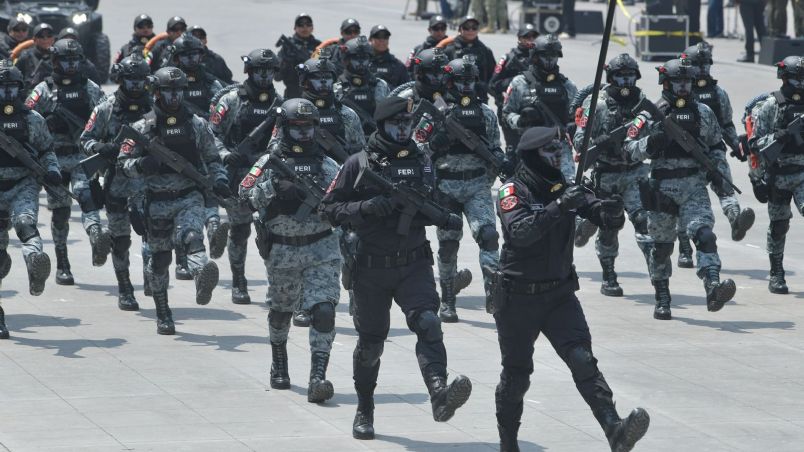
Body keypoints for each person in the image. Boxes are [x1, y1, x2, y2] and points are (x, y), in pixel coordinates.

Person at [321, 96, 472, 441]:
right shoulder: (357, 164)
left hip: (413, 262)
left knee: (429, 323)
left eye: (408, 124)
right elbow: (329, 209)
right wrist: (370, 207)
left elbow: (434, 203)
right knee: (371, 343)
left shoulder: (423, 160)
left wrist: (426, 211)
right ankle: (365, 408)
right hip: (371, 268)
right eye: (396, 124)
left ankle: (438, 393)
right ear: (382, 125)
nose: (404, 130)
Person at [493, 126, 650, 452]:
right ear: (533, 155)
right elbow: (520, 233)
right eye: (550, 151)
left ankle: (615, 430)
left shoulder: (563, 185)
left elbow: (602, 216)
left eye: (558, 150)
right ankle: (508, 442)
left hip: (559, 295)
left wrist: (612, 210)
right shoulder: (513, 190)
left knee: (582, 360)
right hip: (517, 296)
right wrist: (560, 207)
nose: (558, 155)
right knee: (517, 375)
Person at [240, 98, 341, 403]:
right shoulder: (269, 163)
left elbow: (342, 202)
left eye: (308, 128)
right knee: (282, 311)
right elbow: (244, 196)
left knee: (324, 311)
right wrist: (273, 188)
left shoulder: (327, 164)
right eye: (296, 129)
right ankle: (279, 359)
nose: (303, 135)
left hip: (321, 248)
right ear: (283, 129)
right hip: (283, 251)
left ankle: (318, 376)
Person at [624, 58, 737, 320]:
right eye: (678, 82)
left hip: (694, 187)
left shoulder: (704, 112)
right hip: (662, 189)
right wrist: (653, 141)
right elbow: (629, 151)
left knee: (705, 236)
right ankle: (662, 296)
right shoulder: (649, 114)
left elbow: (716, 148)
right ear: (666, 83)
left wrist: (720, 176)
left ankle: (712, 285)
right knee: (662, 248)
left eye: (687, 82)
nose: (684, 87)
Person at [119, 66, 228, 335]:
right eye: (168, 91)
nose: (174, 96)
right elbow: (123, 164)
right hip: (155, 201)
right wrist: (143, 164)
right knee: (160, 260)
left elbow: (212, 158)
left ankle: (201, 273)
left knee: (192, 236)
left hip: (188, 195)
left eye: (179, 90)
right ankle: (163, 312)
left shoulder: (196, 124)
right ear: (156, 92)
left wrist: (221, 180)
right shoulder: (142, 127)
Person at [418, 56, 506, 321]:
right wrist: (436, 144)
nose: (466, 86)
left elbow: (496, 150)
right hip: (445, 187)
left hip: (477, 186)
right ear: (449, 81)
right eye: (460, 81)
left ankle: (493, 290)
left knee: (489, 236)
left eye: (470, 81)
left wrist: (490, 174)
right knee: (447, 246)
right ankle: (447, 299)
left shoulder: (486, 113)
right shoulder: (435, 111)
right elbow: (418, 150)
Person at [25, 39, 109, 286]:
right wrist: (47, 123)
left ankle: (96, 237)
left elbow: (106, 117)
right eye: (65, 60)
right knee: (60, 212)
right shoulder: (43, 90)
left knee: (86, 197)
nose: (71, 65)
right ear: (54, 61)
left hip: (83, 155)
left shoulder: (90, 88)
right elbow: (26, 120)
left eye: (75, 60)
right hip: (55, 159)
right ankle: (62, 263)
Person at [573, 54, 654, 297]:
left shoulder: (644, 104)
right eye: (621, 75)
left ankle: (657, 272)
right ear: (612, 77)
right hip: (606, 175)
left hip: (636, 172)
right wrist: (600, 142)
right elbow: (579, 140)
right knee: (610, 226)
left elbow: (654, 134)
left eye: (630, 75)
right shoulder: (596, 104)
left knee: (644, 221)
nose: (626, 80)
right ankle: (608, 275)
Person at [80, 55, 152, 311]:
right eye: (130, 80)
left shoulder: (156, 106)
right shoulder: (105, 108)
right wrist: (103, 147)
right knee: (120, 239)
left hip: (147, 181)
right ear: (121, 80)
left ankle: (152, 272)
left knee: (152, 232)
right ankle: (125, 288)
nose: (135, 86)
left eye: (140, 80)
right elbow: (85, 139)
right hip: (116, 181)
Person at [211, 48, 283, 304]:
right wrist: (224, 154)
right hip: (238, 175)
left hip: (268, 174)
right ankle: (238, 281)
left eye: (269, 71)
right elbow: (211, 134)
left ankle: (275, 285)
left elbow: (284, 137)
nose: (264, 76)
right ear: (249, 72)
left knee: (272, 232)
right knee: (240, 230)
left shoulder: (279, 104)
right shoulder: (231, 100)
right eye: (259, 71)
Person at [676, 43, 754, 268]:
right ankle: (684, 249)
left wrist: (736, 146)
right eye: (697, 65)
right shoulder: (677, 93)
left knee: (725, 186)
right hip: (686, 156)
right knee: (685, 202)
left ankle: (736, 220)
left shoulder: (719, 94)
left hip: (713, 150)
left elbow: (727, 123)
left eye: (706, 64)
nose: (702, 70)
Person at [0, 62, 58, 336]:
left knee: (25, 224)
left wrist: (54, 172)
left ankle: (36, 261)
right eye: (3, 87)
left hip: (23, 182)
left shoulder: (32, 119)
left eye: (13, 87)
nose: (8, 93)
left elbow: (47, 150)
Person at [165, 32, 228, 280]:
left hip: (202, 147)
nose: (191, 59)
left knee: (208, 191)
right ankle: (181, 260)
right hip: (171, 151)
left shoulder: (212, 85)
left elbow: (220, 120)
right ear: (176, 57)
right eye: (185, 55)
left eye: (195, 54)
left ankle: (212, 228)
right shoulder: (164, 82)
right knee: (174, 205)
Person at [747, 56, 804, 294]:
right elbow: (754, 144)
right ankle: (776, 273)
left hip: (802, 172)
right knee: (779, 225)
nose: (800, 84)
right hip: (778, 175)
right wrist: (778, 137)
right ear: (783, 78)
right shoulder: (771, 105)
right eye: (795, 78)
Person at [503, 34, 577, 182]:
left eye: (554, 55)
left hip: (559, 148)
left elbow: (578, 118)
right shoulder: (519, 83)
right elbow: (506, 113)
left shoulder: (567, 86)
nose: (550, 60)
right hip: (531, 147)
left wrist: (572, 127)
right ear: (535, 56)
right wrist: (520, 120)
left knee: (569, 190)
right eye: (545, 55)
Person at [489, 23, 538, 151]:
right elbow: (493, 85)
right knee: (514, 150)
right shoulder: (508, 58)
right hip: (512, 110)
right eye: (526, 37)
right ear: (519, 38)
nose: (530, 40)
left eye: (533, 37)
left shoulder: (540, 57)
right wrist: (516, 81)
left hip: (535, 110)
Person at [335, 35, 390, 137]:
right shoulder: (336, 87)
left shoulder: (380, 85)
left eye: (364, 57)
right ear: (346, 60)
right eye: (356, 57)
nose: (361, 62)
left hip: (376, 139)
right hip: (347, 142)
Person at [442, 16, 496, 103]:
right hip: (454, 96)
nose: (470, 30)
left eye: (474, 27)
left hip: (479, 96)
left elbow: (493, 75)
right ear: (460, 30)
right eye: (466, 28)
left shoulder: (485, 50)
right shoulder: (450, 49)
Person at [275, 13, 321, 100]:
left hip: (315, 92)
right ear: (295, 28)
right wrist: (287, 61)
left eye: (308, 24)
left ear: (312, 28)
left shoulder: (318, 46)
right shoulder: (287, 47)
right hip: (293, 93)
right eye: (300, 25)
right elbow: (277, 77)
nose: (304, 27)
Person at [15, 23, 55, 90]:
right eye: (41, 36)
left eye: (49, 36)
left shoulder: (58, 55)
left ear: (53, 39)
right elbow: (15, 78)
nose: (45, 39)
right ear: (34, 39)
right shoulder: (25, 56)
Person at [368, 25, 409, 91]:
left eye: (385, 37)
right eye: (378, 37)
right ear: (370, 39)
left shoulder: (398, 66)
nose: (382, 40)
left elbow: (406, 90)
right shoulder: (362, 62)